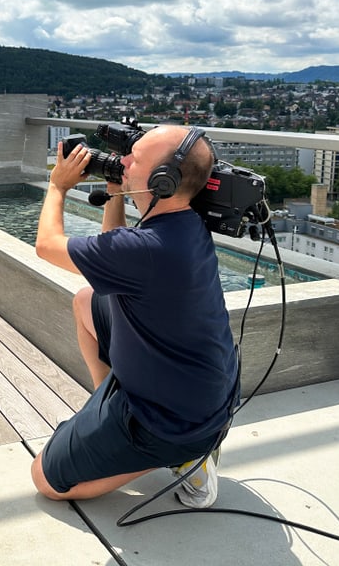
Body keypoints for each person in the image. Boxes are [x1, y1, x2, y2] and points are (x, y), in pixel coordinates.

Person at [30, 124, 239, 508]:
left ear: (164, 179)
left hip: (176, 422)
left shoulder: (148, 248)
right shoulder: (184, 223)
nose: (123, 160)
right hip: (206, 393)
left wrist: (58, 186)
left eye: (134, 159)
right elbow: (115, 262)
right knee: (86, 300)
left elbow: (46, 246)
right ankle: (109, 420)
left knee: (46, 479)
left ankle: (182, 457)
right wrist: (116, 194)